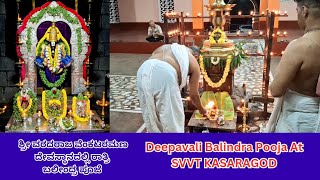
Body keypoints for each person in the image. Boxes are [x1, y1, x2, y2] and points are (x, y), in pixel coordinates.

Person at [266, 0, 320, 132]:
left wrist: (279, 72)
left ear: (304, 10)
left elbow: (276, 90)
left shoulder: (300, 46)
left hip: (299, 117)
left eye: (297, 11)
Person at [136, 43, 206, 132]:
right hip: (164, 72)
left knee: (150, 113)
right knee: (172, 117)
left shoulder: (167, 47)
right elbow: (193, 95)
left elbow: (153, 64)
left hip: (143, 69)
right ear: (196, 56)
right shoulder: (192, 59)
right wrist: (202, 110)